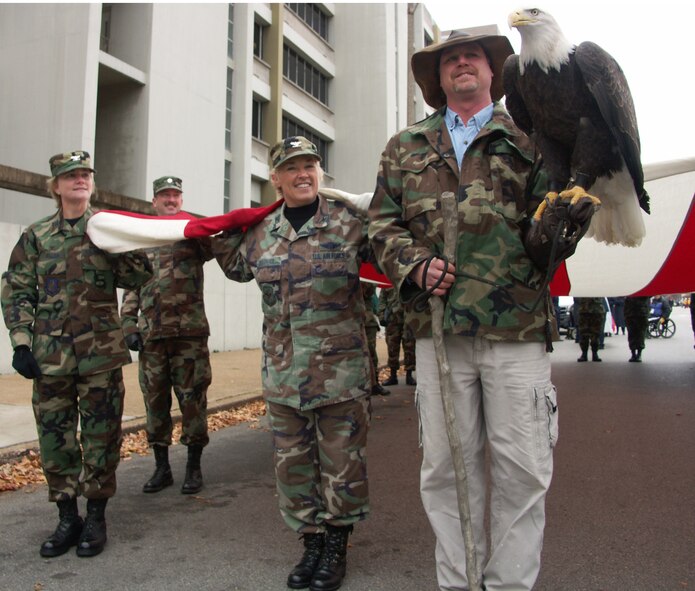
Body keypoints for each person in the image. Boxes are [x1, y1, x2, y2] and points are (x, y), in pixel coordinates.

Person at [367, 30, 596, 591]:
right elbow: (380, 223)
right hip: (438, 331)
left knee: (523, 471)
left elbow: (544, 245)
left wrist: (563, 227)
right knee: (446, 471)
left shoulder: (531, 142)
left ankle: (508, 586)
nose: (462, 63)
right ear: (437, 76)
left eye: (473, 56)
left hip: (515, 330)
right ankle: (459, 582)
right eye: (450, 58)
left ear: (494, 72)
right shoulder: (405, 147)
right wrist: (416, 265)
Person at [213, 136, 372, 591]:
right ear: (276, 178)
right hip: (283, 377)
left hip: (341, 377)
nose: (304, 173)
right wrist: (205, 231)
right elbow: (232, 263)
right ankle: (311, 542)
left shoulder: (350, 224)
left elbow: (394, 254)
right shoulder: (261, 233)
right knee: (293, 467)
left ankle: (337, 545)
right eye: (292, 167)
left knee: (343, 465)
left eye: (310, 165)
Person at [0, 151, 152, 558]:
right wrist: (20, 342)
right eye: (71, 176)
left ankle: (97, 515)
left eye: (85, 174)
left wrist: (125, 243)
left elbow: (139, 276)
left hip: (100, 356)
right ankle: (68, 516)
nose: (80, 180)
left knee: (102, 438)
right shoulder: (37, 236)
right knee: (55, 438)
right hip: (50, 357)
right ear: (57, 185)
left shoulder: (105, 230)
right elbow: (16, 289)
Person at [120, 176, 213, 495]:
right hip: (153, 338)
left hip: (189, 335)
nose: (170, 200)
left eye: (175, 195)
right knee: (155, 404)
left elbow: (217, 245)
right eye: (165, 196)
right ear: (154, 202)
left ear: (181, 200)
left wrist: (201, 229)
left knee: (193, 401)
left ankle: (193, 467)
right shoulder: (142, 239)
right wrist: (129, 327)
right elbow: (132, 286)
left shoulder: (192, 234)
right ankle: (162, 468)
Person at [377, 287, 416, 386]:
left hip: (408, 316)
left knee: (410, 346)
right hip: (392, 318)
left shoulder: (409, 280)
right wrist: (381, 315)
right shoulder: (388, 280)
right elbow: (382, 299)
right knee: (392, 347)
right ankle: (393, 376)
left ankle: (409, 375)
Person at [362, 282, 390, 396]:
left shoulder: (365, 276)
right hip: (349, 320)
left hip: (367, 320)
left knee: (371, 353)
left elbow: (369, 292)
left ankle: (374, 384)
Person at [575, 297, 606, 362]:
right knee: (583, 333)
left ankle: (595, 354)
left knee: (595, 334)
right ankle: (584, 354)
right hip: (584, 311)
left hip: (596, 311)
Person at [625, 296, 650, 362]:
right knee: (631, 334)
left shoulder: (643, 289)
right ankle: (633, 354)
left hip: (641, 314)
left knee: (640, 335)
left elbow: (649, 295)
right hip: (630, 314)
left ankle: (639, 354)